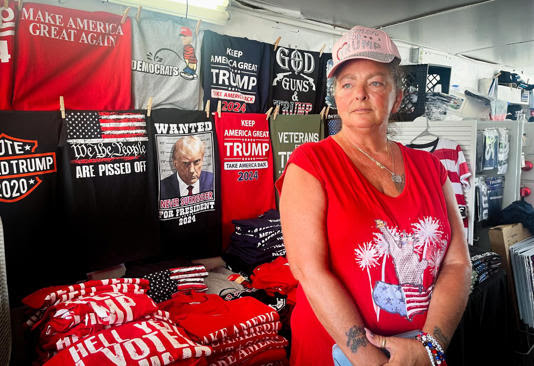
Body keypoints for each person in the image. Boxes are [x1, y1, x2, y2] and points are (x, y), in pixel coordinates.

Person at [276, 25, 472, 366]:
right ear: (336, 95)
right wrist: (370, 360)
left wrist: (430, 349)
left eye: (376, 82)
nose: (360, 94)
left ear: (397, 96)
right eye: (347, 83)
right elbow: (310, 272)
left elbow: (457, 263)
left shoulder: (431, 168)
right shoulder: (310, 164)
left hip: (420, 353)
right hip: (335, 354)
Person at [160, 135, 213, 200]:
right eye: (185, 163)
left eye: (197, 162)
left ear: (202, 159)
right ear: (175, 163)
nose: (191, 170)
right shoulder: (162, 188)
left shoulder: (213, 181)